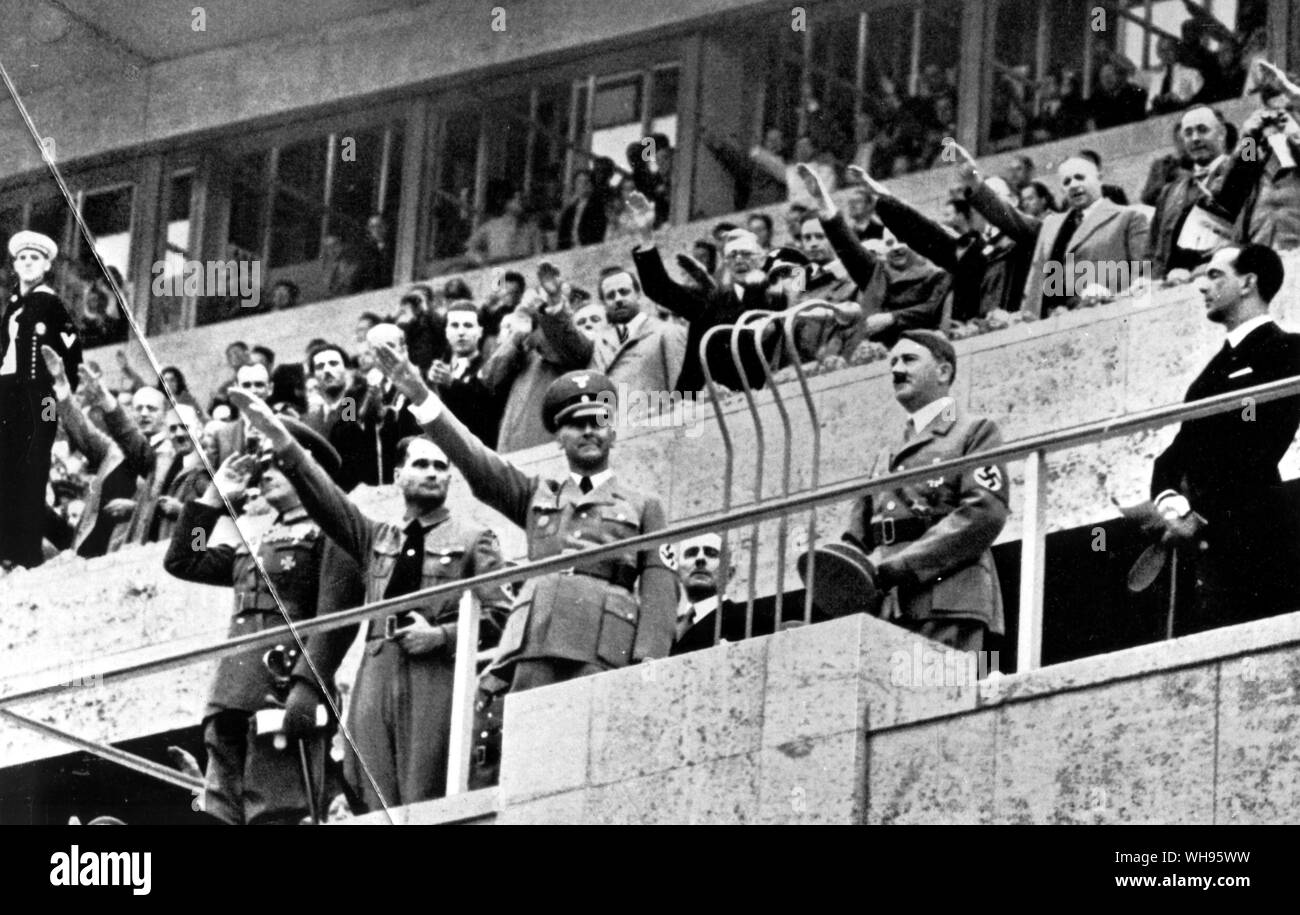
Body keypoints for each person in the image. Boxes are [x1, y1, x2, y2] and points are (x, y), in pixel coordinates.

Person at [234, 391, 512, 812]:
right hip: (377, 670)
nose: (433, 474)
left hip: (434, 673)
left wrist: (440, 636)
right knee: (372, 790)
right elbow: (328, 501)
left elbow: (502, 615)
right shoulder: (378, 539)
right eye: (421, 465)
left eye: (441, 466)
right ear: (399, 476)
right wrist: (281, 441)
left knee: (427, 792)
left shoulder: (474, 539)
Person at [370, 348, 679, 693]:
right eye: (576, 424)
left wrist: (650, 663)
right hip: (536, 641)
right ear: (559, 439)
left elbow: (660, 592)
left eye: (599, 422)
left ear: (613, 434)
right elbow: (474, 458)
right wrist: (421, 396)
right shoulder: (535, 494)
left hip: (605, 642)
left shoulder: (644, 505)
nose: (589, 431)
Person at [162, 421, 346, 825]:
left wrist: (307, 685)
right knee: (220, 810)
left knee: (274, 809)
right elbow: (184, 559)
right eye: (264, 468)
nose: (266, 474)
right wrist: (214, 497)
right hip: (232, 689)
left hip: (280, 688)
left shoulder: (330, 534)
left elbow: (333, 619)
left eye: (279, 465)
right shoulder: (257, 540)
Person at [797, 331, 1009, 652]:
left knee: (940, 698)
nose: (897, 370)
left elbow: (984, 513)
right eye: (893, 362)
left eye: (909, 360)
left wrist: (903, 566)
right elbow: (857, 535)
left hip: (948, 600)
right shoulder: (887, 452)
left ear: (943, 372)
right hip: (891, 608)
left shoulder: (974, 431)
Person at [1148, 245, 1300, 635]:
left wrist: (1196, 514)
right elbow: (1170, 459)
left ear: (1248, 282)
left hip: (1258, 536)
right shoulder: (1209, 374)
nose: (1203, 286)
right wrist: (1171, 505)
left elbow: (1260, 444)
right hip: (1209, 548)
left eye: (1216, 275)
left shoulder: (1288, 350)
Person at [0, 231, 82, 568]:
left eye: (35, 258)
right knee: (8, 474)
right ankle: (13, 549)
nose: (28, 263)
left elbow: (71, 353)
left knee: (32, 470)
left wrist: (59, 396)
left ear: (47, 265)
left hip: (40, 396)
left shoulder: (51, 303)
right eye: (22, 258)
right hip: (8, 394)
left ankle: (28, 553)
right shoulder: (14, 306)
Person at [1021, 155, 1150, 316]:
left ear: (1099, 179)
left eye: (1080, 177)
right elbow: (1036, 282)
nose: (1074, 185)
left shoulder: (1128, 217)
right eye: (1067, 182)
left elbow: (1144, 279)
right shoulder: (1052, 225)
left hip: (1108, 316)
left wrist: (1110, 297)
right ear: (1062, 190)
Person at [537, 263, 687, 400]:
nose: (618, 299)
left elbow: (683, 394)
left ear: (638, 295)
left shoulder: (667, 332)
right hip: (607, 425)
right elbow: (568, 340)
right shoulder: (595, 342)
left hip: (651, 425)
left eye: (624, 292)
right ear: (603, 304)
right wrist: (555, 301)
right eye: (611, 296)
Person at [1146, 106, 1233, 281]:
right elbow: (1153, 251)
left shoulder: (1241, 171)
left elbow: (1253, 160)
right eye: (1188, 133)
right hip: (1172, 285)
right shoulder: (1169, 192)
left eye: (1202, 130)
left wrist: (1251, 138)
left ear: (1222, 133)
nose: (1195, 138)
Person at [429, 301, 502, 449]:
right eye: (454, 326)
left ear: (480, 331)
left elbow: (487, 413)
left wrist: (452, 384)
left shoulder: (489, 368)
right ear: (446, 331)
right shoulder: (437, 371)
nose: (461, 332)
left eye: (468, 325)